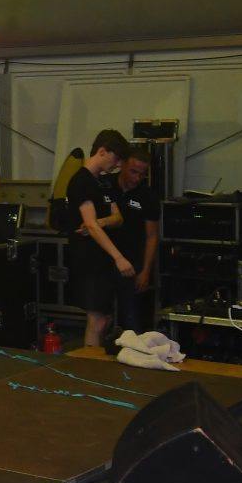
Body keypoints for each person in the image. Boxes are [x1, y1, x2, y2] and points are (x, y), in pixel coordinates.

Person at [64, 129, 132, 350]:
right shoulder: (81, 181)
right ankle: (89, 364)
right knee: (97, 320)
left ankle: (94, 359)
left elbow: (117, 218)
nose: (118, 165)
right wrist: (119, 257)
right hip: (89, 260)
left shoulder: (103, 183)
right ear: (102, 151)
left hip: (102, 260)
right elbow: (90, 225)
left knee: (105, 318)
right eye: (116, 159)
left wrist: (101, 222)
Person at [106, 148, 161, 334]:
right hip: (103, 259)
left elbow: (152, 236)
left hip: (132, 261)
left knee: (131, 316)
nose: (137, 178)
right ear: (122, 165)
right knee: (101, 315)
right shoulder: (105, 185)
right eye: (133, 171)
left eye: (142, 174)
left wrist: (146, 271)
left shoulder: (148, 196)